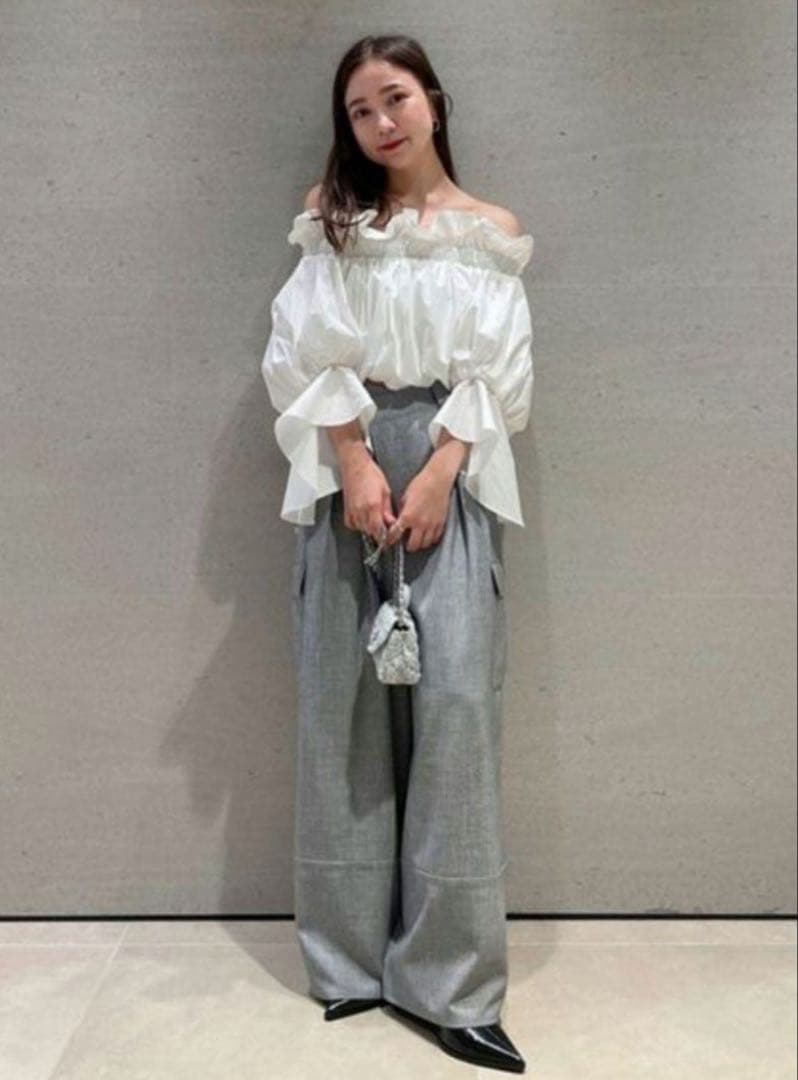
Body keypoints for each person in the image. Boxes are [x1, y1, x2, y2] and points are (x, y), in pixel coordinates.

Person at [261, 33, 535, 1075]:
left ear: (434, 100)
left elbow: (500, 374)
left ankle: (452, 984)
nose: (381, 121)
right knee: (344, 710)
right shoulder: (335, 222)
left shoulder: (490, 233)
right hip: (346, 463)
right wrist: (354, 461)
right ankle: (348, 963)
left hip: (453, 473)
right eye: (361, 109)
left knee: (456, 711)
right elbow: (302, 350)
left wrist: (438, 470)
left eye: (396, 97)